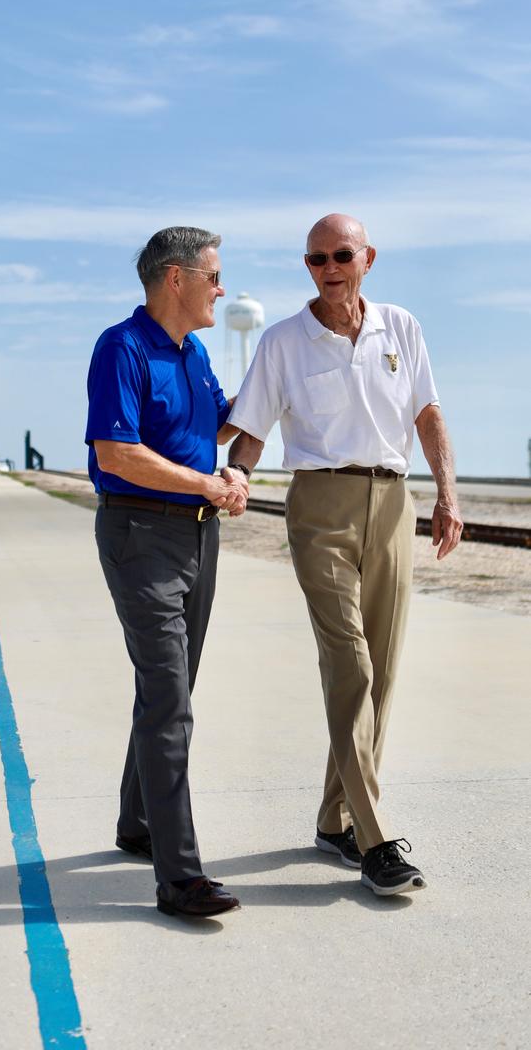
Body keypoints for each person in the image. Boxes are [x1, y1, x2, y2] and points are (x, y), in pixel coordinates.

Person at [227, 213, 463, 897]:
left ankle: (333, 818)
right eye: (314, 259)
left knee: (381, 673)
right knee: (350, 665)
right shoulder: (281, 342)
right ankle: (373, 837)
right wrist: (230, 479)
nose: (327, 268)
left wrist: (447, 494)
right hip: (320, 509)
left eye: (340, 255)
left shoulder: (402, 328)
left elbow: (428, 416)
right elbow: (249, 430)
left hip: (394, 506)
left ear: (367, 258)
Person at [86, 226, 248, 918]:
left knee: (168, 691)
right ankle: (179, 879)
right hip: (140, 534)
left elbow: (214, 428)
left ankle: (138, 824)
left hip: (197, 539)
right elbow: (116, 451)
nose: (222, 287)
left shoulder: (196, 351)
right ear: (175, 279)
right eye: (213, 275)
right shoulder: (121, 347)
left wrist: (277, 385)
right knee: (170, 700)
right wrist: (207, 485)